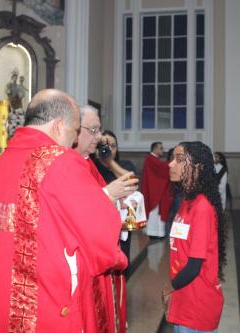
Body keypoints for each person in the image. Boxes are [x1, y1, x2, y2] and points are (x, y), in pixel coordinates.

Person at [0, 90, 128, 332]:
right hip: (50, 306)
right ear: (59, 126)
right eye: (75, 130)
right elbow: (100, 235)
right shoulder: (62, 161)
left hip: (6, 304)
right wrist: (117, 258)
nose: (74, 141)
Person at [74, 105, 138, 333]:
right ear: (74, 129)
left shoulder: (89, 162)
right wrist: (110, 194)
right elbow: (76, 211)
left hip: (107, 247)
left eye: (99, 130)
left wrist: (116, 200)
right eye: (93, 130)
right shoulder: (71, 162)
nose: (99, 136)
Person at [162, 141, 226, 333]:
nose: (171, 164)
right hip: (184, 297)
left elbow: (194, 266)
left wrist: (168, 287)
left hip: (197, 304)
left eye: (180, 160)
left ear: (197, 167)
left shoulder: (202, 207)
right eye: (172, 158)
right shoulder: (186, 201)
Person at [93, 129, 137, 276]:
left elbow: (132, 181)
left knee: (122, 263)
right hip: (100, 224)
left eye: (113, 145)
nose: (109, 148)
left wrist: (110, 162)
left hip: (122, 223)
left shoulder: (124, 164)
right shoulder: (92, 166)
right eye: (104, 145)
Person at [142, 141, 173, 238]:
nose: (162, 150)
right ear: (155, 149)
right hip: (154, 191)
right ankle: (153, 233)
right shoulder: (151, 159)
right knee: (154, 213)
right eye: (161, 148)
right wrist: (172, 163)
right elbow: (163, 168)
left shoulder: (152, 159)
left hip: (155, 190)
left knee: (157, 213)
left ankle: (157, 233)